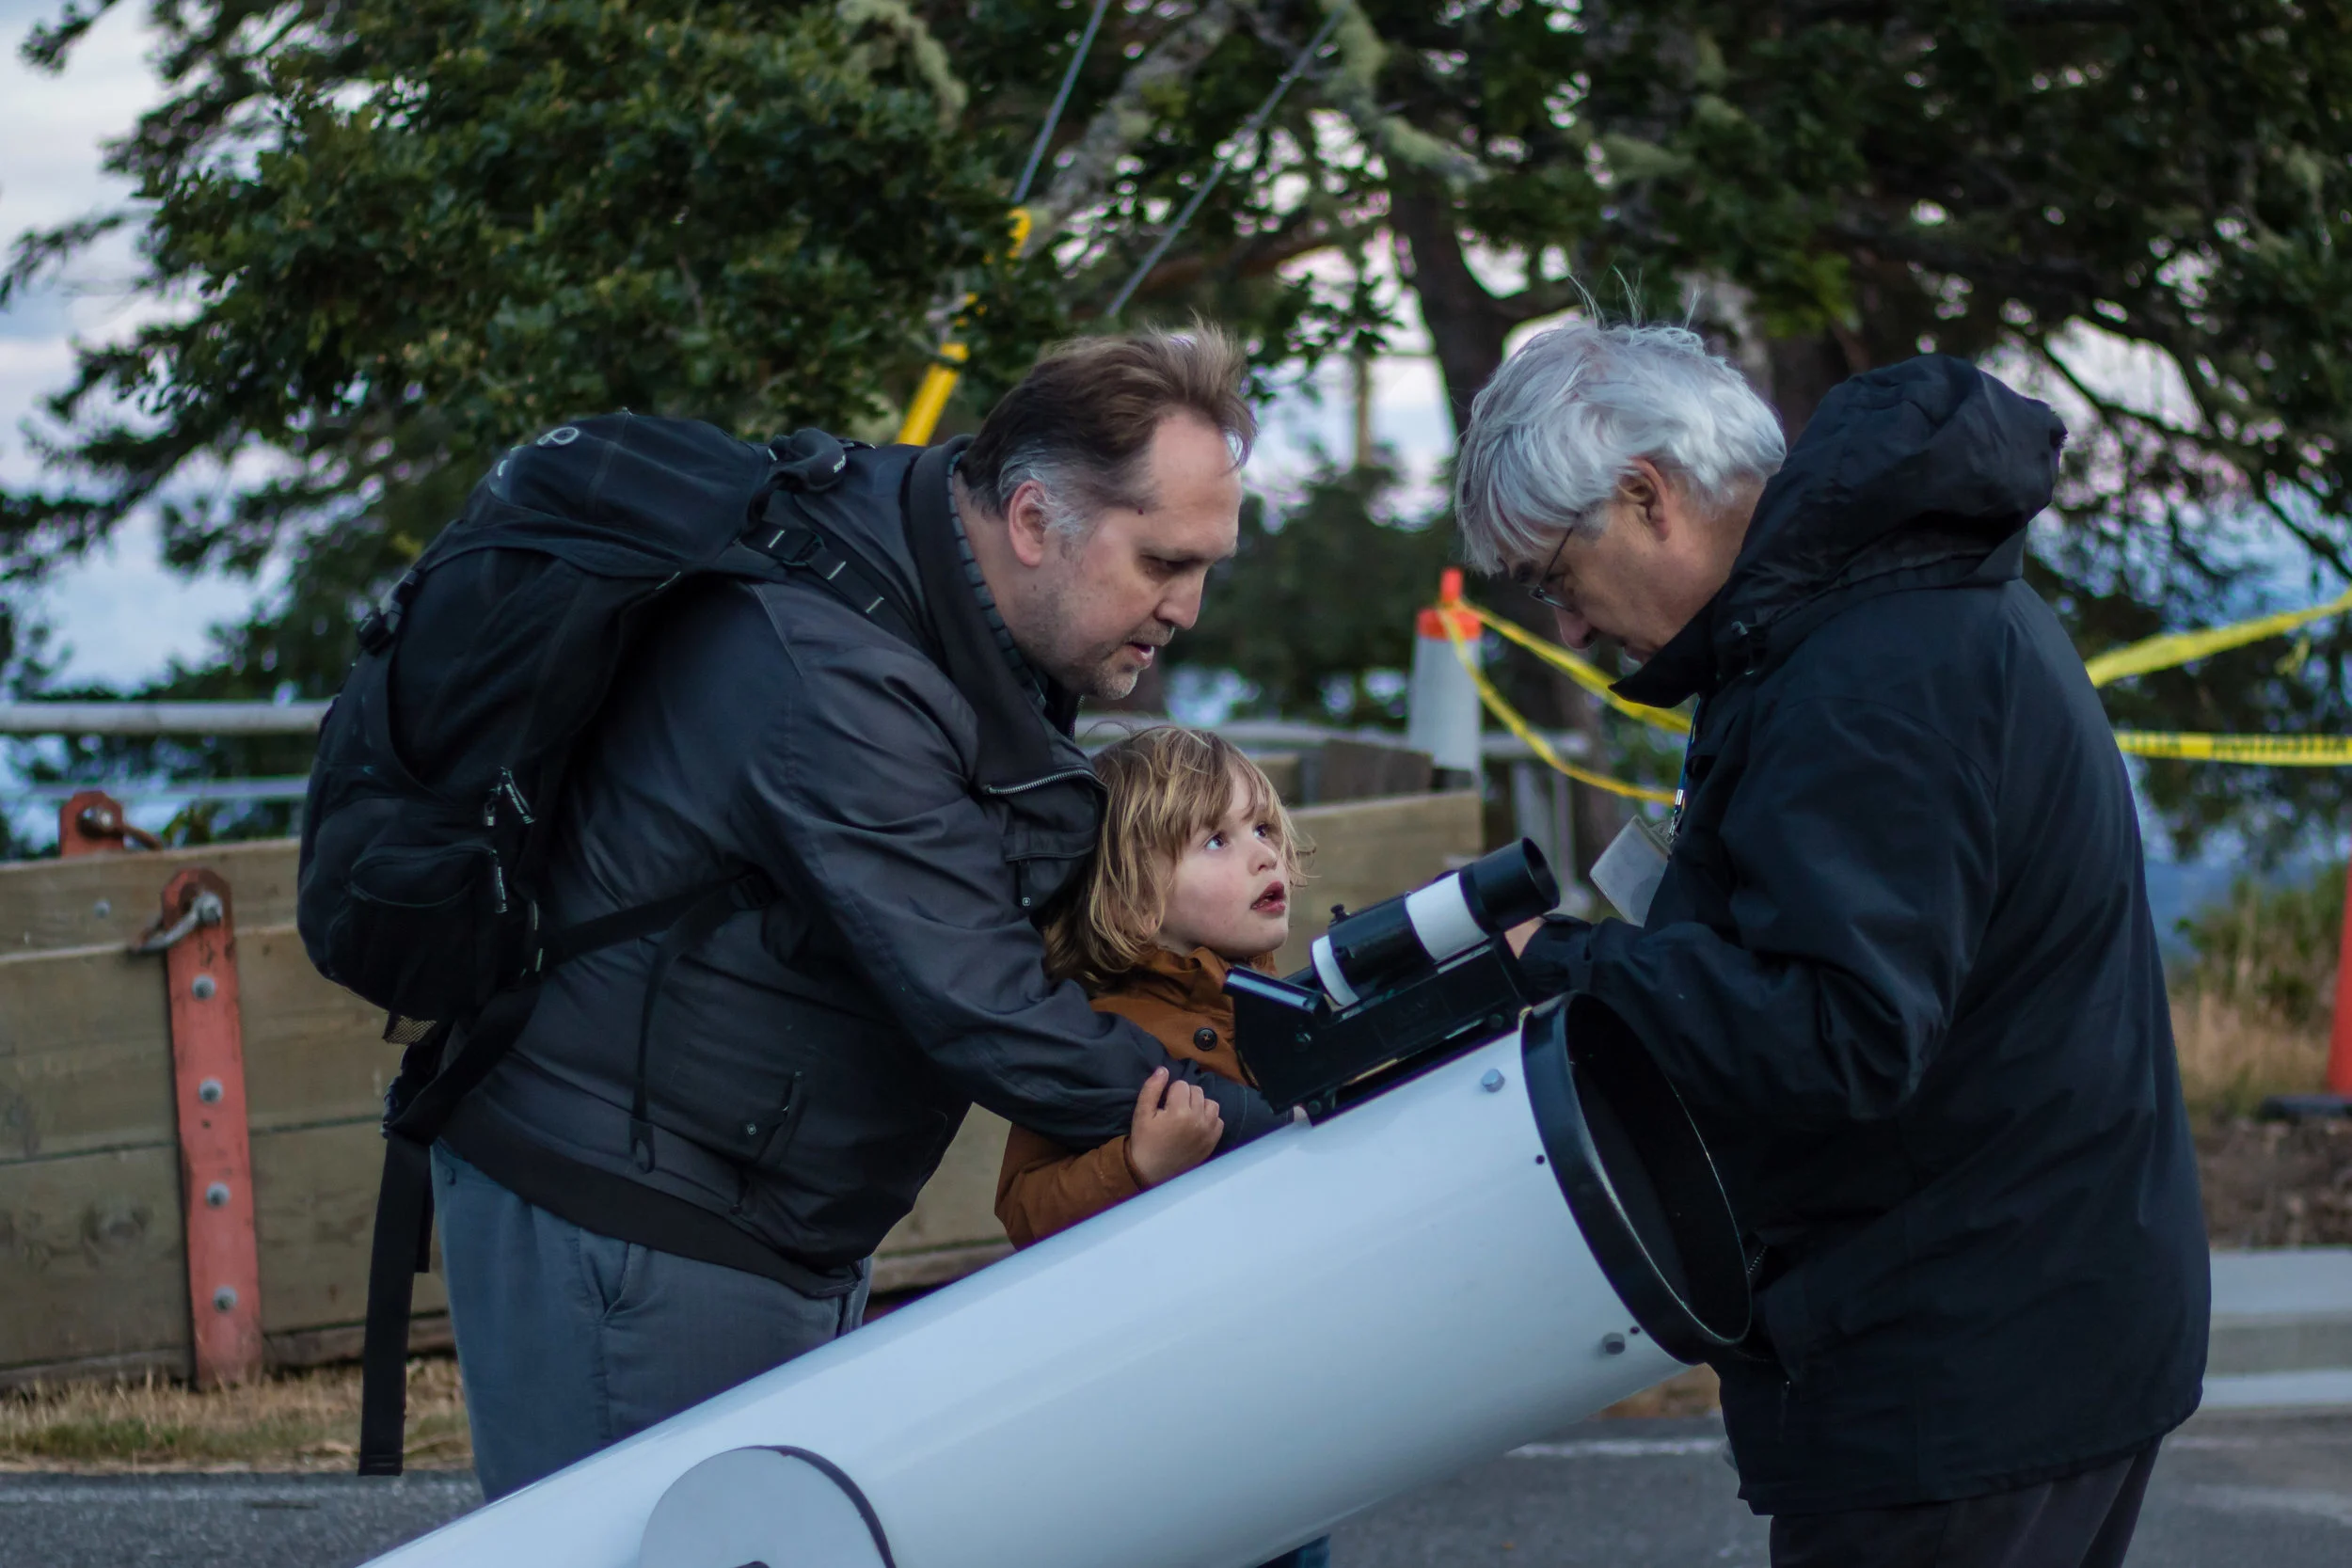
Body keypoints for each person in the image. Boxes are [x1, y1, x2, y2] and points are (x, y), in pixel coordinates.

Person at [429, 330, 1287, 1499]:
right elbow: (978, 999)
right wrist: (1262, 1127)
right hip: (635, 1218)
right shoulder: (833, 676)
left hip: (746, 1200)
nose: (1185, 606)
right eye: (1161, 562)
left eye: (1205, 568)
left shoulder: (947, 585)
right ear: (1033, 519)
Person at [1453, 325, 2208, 1567]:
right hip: (2022, 1320)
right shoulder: (1881, 618)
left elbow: (1837, 1034)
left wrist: (1563, 960)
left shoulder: (1866, 672)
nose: (1570, 631)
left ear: (1646, 495)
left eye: (1551, 575)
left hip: (1957, 1357)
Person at [993, 723, 1327, 1568]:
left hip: (1282, 1382)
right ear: (1135, 894)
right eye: (1216, 839)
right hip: (1169, 1399)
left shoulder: (1270, 1008)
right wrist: (1137, 1167)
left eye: (1263, 830)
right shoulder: (1106, 1033)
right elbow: (1025, 1202)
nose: (1262, 856)